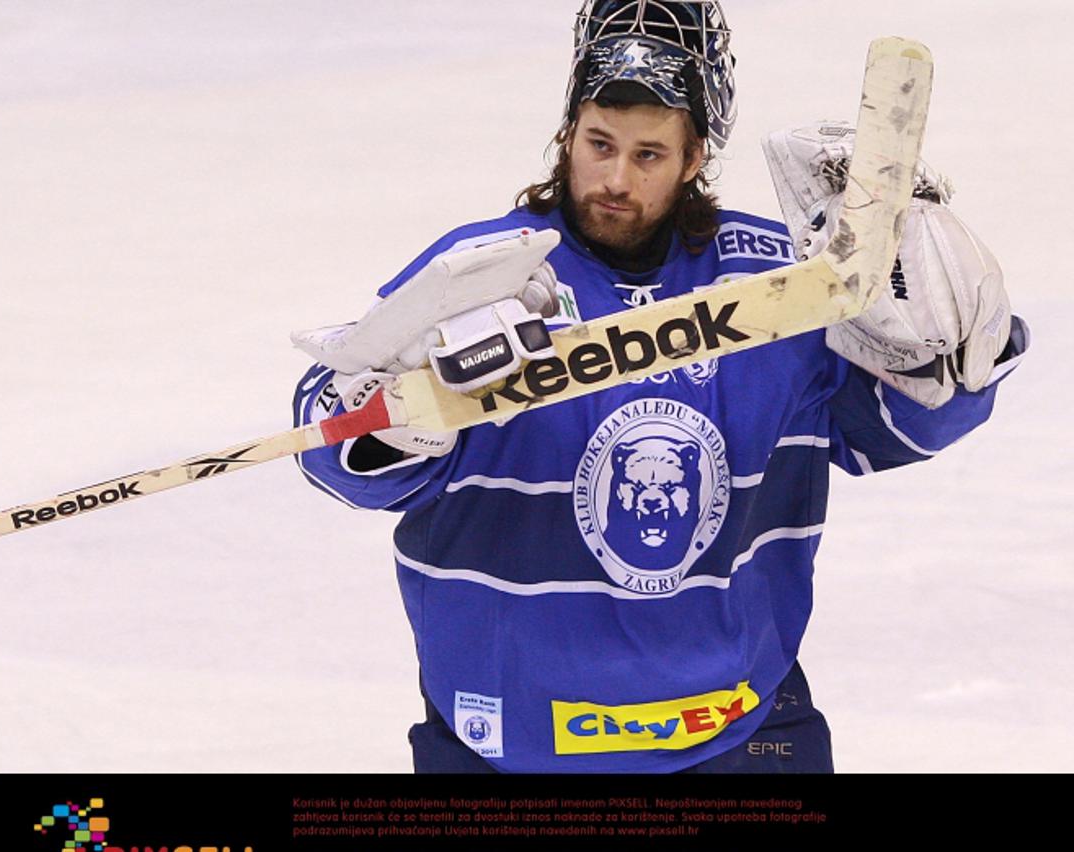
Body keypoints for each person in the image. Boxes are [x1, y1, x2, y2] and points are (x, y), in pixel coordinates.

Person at [290, 0, 1029, 773]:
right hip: (508, 742)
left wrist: (938, 354)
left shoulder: (783, 285)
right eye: (598, 143)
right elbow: (330, 446)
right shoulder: (479, 276)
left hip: (738, 734)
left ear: (694, 156)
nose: (614, 178)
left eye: (647, 155)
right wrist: (387, 421)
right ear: (567, 133)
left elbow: (904, 430)